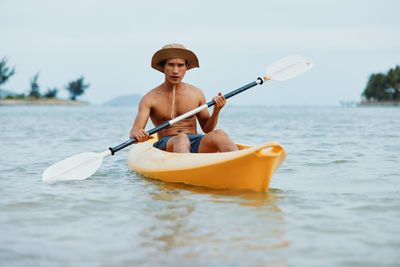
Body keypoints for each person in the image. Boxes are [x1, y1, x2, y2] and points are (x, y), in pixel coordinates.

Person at [129, 43, 238, 153]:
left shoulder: (196, 93)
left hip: (195, 142)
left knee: (220, 134)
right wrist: (136, 133)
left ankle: (238, 163)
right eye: (171, 65)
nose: (176, 71)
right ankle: (189, 167)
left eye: (180, 65)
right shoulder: (150, 98)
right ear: (163, 67)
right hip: (167, 144)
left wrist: (216, 111)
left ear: (186, 68)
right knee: (181, 138)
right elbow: (136, 130)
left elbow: (207, 129)